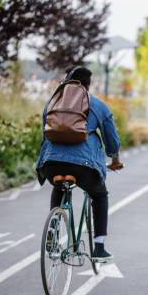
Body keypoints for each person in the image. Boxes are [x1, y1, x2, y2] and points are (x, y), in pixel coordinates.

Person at [36, 66, 123, 262]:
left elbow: (44, 133)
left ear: (66, 81)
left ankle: (52, 236)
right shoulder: (97, 105)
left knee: (59, 186)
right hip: (84, 166)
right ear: (88, 84)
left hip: (51, 164)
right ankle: (99, 248)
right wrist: (115, 159)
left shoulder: (52, 102)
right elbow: (111, 140)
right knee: (100, 195)